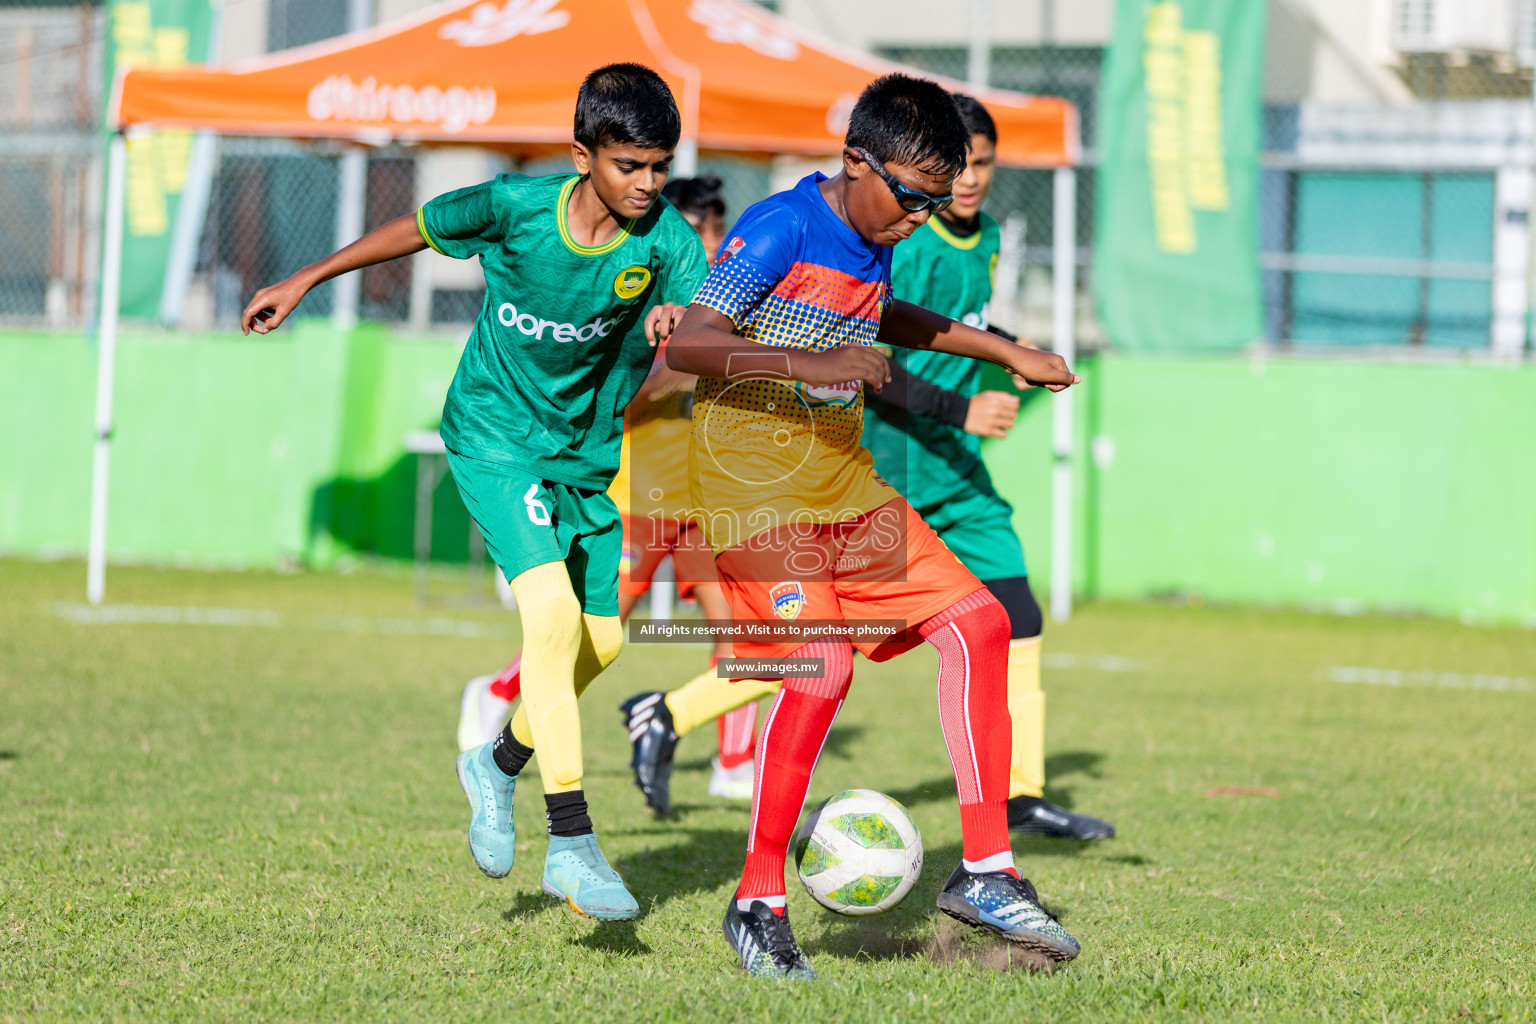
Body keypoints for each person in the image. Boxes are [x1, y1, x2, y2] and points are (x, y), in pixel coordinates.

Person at [240, 63, 709, 921]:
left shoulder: (671, 242)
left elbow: (696, 306)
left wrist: (681, 325)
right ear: (583, 155)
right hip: (493, 438)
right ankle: (570, 841)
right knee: (551, 620)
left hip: (582, 458)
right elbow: (414, 230)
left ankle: (492, 766)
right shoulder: (512, 208)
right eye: (630, 165)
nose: (648, 184)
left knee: (601, 645)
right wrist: (305, 278)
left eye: (658, 167)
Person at [666, 73, 1084, 979]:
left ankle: (986, 871)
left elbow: (885, 313)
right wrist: (809, 358)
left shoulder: (879, 230)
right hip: (751, 490)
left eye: (939, 199)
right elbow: (690, 343)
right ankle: (757, 899)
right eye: (912, 196)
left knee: (982, 624)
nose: (920, 216)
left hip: (840, 485)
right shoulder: (781, 224)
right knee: (822, 667)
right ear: (856, 160)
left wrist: (1004, 348)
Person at [456, 176, 760, 806]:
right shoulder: (645, 299)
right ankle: (499, 694)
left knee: (736, 627)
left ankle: (734, 763)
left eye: (716, 231)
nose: (713, 245)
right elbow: (625, 389)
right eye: (704, 230)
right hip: (636, 495)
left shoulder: (722, 306)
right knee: (594, 635)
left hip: (704, 501)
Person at [862, 94, 1115, 841]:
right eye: (960, 164)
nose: (971, 178)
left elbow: (963, 326)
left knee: (1019, 615)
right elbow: (875, 354)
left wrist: (1016, 350)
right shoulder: (908, 242)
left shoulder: (991, 238)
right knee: (831, 642)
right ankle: (670, 716)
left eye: (985, 162)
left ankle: (1021, 797)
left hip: (959, 476)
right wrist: (961, 409)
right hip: (894, 470)